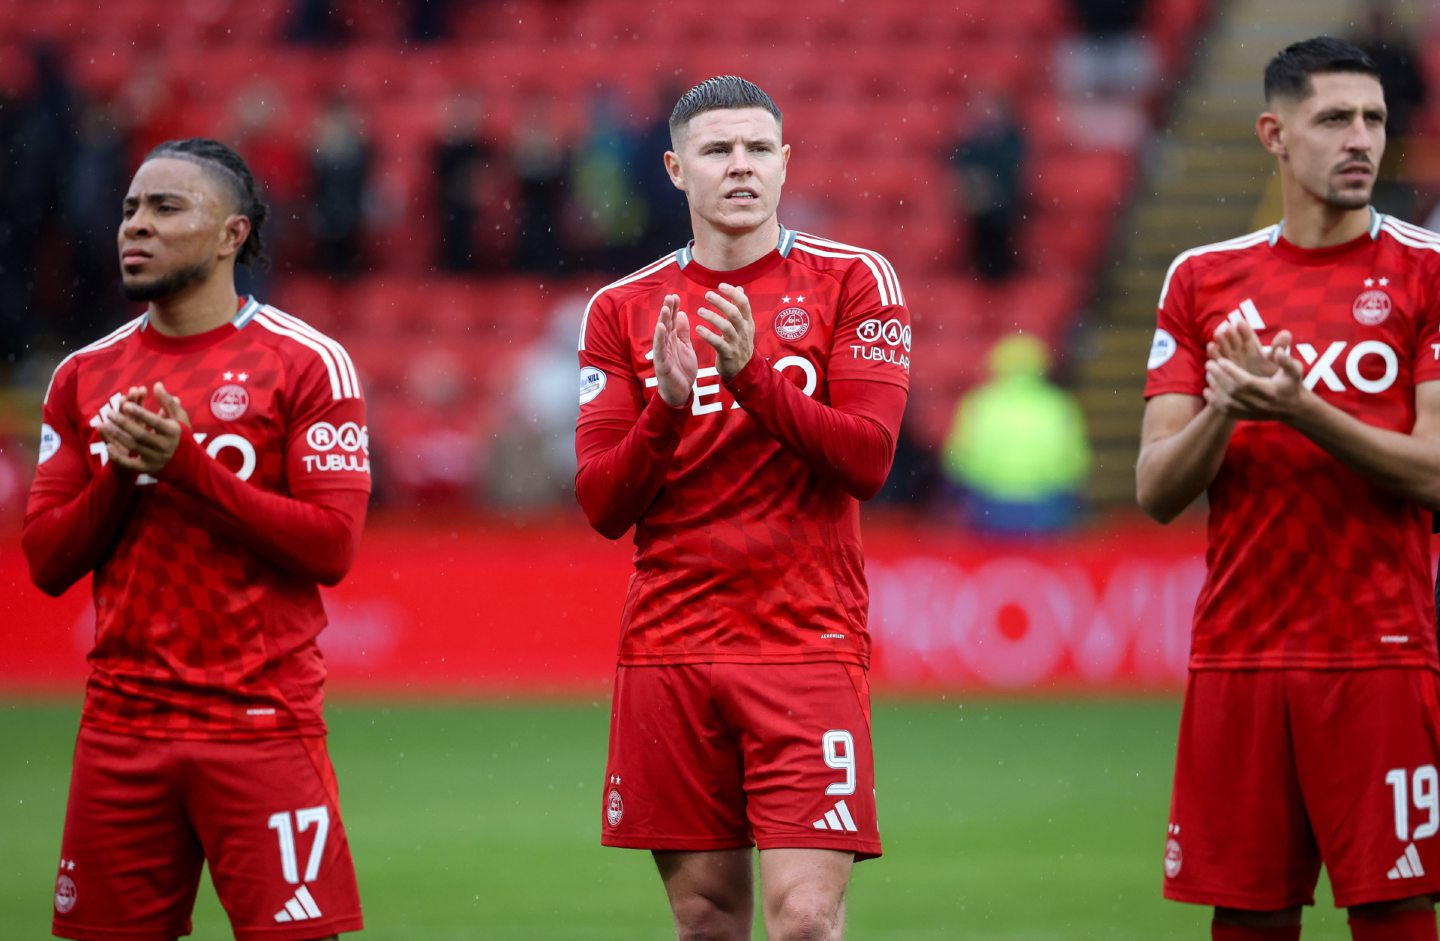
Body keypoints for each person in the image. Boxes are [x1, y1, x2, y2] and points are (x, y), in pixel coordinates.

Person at [574, 76, 910, 940]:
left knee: (804, 917)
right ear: (675, 169)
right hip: (670, 646)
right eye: (717, 150)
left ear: (786, 162)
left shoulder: (854, 281)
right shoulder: (621, 309)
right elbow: (603, 504)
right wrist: (666, 412)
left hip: (806, 641)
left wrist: (754, 380)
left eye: (759, 148)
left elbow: (869, 459)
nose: (740, 166)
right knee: (706, 920)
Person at [22, 138, 369, 941]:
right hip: (120, 727)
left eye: (165, 208)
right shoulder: (83, 374)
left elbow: (332, 547)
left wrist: (185, 468)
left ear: (230, 235)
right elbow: (45, 559)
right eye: (130, 209)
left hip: (262, 722)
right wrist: (122, 474)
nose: (134, 226)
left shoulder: (307, 363)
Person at [1138, 37, 1440, 941]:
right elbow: (1155, 486)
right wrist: (1225, 413)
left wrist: (1304, 409)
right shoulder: (1203, 279)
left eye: (1375, 119)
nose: (1362, 140)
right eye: (1335, 118)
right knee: (1250, 920)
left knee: (1394, 913)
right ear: (1275, 133)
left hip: (1380, 649)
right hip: (1240, 653)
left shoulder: (1426, 270)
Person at [942, 332, 1090, 534]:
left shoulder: (979, 403)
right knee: (1043, 564)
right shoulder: (1058, 405)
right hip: (1046, 503)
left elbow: (958, 457)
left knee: (992, 564)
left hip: (988, 502)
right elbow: (1075, 461)